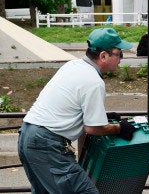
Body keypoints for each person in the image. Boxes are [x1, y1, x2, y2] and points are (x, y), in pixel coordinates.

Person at [17, 27, 137, 193]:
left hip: (27, 135)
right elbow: (93, 128)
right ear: (103, 55)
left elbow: (70, 107)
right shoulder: (94, 82)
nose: (121, 59)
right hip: (47, 143)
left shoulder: (73, 65)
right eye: (119, 54)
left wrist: (101, 116)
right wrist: (119, 128)